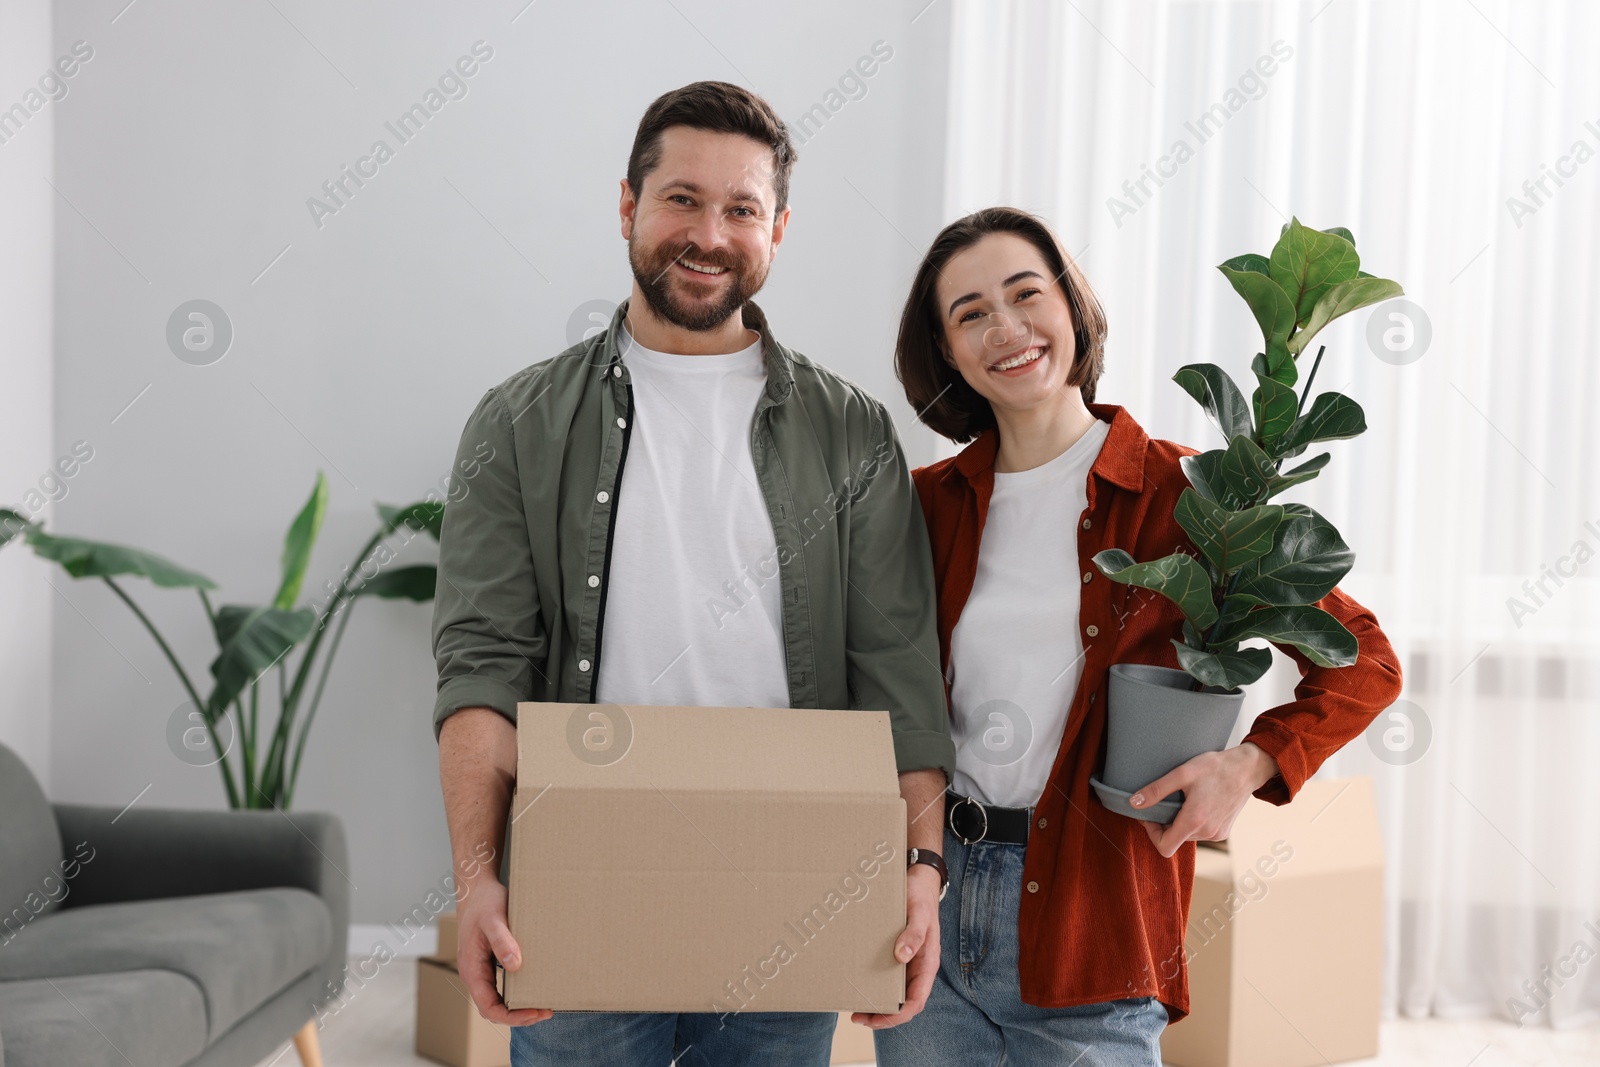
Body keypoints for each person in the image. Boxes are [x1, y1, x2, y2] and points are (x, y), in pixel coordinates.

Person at [430, 81, 956, 1067]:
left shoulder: (850, 433)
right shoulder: (515, 422)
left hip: (792, 877)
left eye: (741, 208)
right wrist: (476, 879)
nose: (707, 233)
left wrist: (919, 865)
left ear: (779, 228)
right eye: (680, 198)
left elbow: (897, 670)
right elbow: (481, 668)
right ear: (627, 205)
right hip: (576, 873)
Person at [868, 206, 1403, 1066]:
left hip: (1098, 912)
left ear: (1072, 309)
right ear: (947, 351)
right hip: (933, 895)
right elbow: (890, 697)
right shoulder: (927, 504)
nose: (1006, 328)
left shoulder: (1190, 495)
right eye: (970, 314)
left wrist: (1249, 765)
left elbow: (1364, 660)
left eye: (1024, 294)